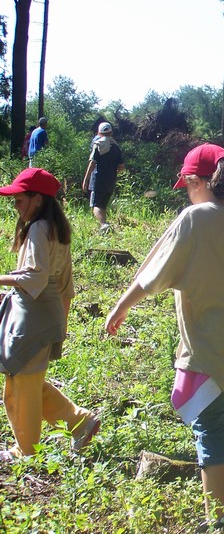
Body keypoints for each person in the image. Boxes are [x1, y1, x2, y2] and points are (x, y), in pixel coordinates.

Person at [104, 144, 224, 531]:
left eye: (187, 184)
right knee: (201, 397)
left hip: (208, 338)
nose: (186, 191)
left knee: (200, 414)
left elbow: (152, 277)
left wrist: (120, 306)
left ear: (197, 181)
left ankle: (218, 520)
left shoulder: (194, 218)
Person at [0, 168, 100, 460]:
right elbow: (65, 285)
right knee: (22, 381)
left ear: (38, 200)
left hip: (32, 315)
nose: (16, 206)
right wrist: (61, 325)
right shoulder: (57, 229)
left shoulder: (37, 229)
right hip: (46, 313)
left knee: (22, 386)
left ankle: (26, 450)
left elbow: (34, 278)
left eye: (19, 200)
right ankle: (79, 420)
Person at [82, 122, 125, 232]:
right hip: (111, 180)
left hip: (97, 179)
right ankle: (104, 228)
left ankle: (104, 225)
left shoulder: (98, 145)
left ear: (99, 133)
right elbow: (121, 166)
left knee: (96, 205)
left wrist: (85, 180)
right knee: (103, 205)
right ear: (111, 132)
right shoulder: (116, 146)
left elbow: (92, 163)